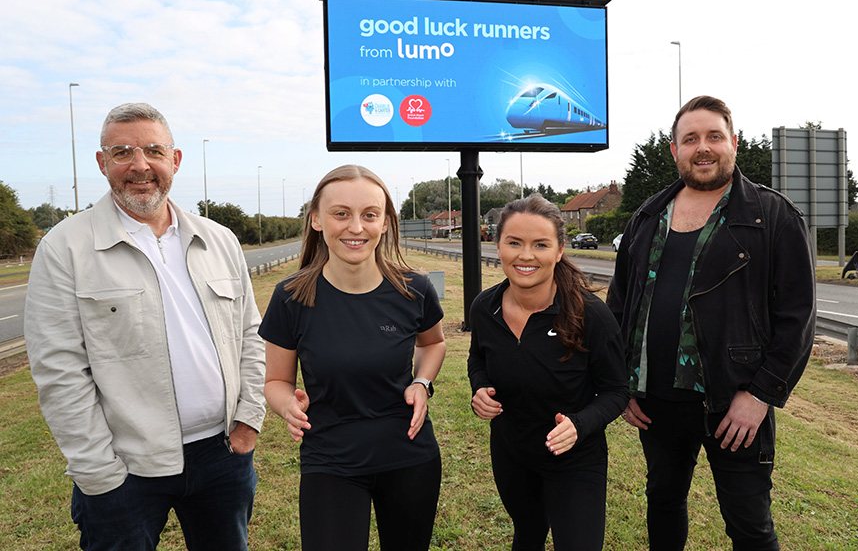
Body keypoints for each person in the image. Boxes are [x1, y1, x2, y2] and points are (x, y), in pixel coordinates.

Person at [24, 102, 266, 550]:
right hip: (125, 469)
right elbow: (59, 372)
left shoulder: (220, 240)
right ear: (102, 163)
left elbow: (250, 336)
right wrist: (99, 471)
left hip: (223, 456)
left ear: (175, 160)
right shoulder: (65, 248)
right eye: (122, 152)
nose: (140, 165)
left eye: (154, 150)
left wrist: (248, 418)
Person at [606, 95, 816, 550]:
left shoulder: (773, 216)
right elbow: (619, 308)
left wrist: (761, 395)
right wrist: (622, 381)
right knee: (662, 502)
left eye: (714, 136)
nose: (703, 147)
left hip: (734, 405)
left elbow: (797, 319)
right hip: (656, 404)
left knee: (749, 525)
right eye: (691, 139)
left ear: (733, 143)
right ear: (674, 150)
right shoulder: (646, 217)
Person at [260, 164, 446, 551]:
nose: (356, 227)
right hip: (331, 462)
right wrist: (286, 407)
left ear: (385, 223)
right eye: (341, 213)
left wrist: (421, 382)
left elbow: (433, 344)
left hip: (409, 457)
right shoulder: (290, 297)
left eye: (369, 215)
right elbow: (277, 383)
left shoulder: (415, 289)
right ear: (316, 219)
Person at [468, 194, 629, 551]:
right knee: (527, 534)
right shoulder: (485, 307)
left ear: (558, 251)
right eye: (514, 243)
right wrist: (480, 388)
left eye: (540, 244)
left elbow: (618, 391)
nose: (526, 256)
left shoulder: (590, 315)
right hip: (512, 452)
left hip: (574, 459)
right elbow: (477, 359)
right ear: (497, 246)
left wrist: (580, 424)